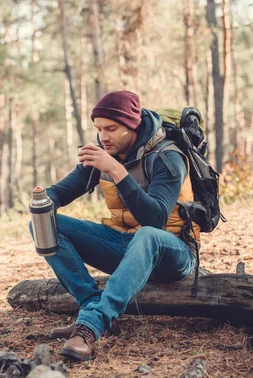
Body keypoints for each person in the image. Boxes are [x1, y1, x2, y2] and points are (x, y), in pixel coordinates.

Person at [29, 91, 200, 361]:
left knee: (148, 235)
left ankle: (90, 326)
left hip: (173, 251)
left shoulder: (168, 157)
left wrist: (118, 171)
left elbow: (155, 220)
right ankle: (91, 304)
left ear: (132, 126)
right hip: (126, 246)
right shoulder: (105, 153)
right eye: (98, 129)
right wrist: (42, 201)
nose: (103, 136)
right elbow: (61, 192)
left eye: (111, 128)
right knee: (44, 224)